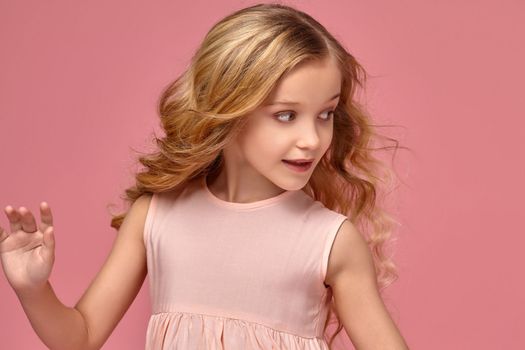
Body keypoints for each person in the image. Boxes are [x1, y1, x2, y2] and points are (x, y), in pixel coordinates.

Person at [0, 3, 410, 350]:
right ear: (227, 109)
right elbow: (81, 336)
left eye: (325, 115)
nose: (312, 138)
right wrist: (32, 289)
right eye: (286, 115)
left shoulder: (330, 241)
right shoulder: (157, 216)